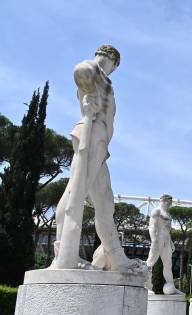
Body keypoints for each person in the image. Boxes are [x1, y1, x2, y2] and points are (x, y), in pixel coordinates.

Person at [53, 45, 139, 272]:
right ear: (113, 60)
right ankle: (65, 255)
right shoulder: (95, 71)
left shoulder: (103, 80)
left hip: (98, 141)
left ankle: (117, 258)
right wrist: (91, 89)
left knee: (103, 201)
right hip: (92, 134)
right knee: (76, 193)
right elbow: (81, 69)